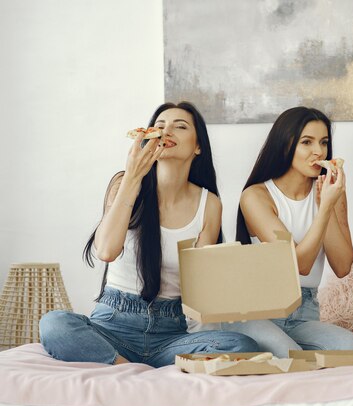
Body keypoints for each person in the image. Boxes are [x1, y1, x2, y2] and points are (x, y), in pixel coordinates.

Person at [39, 102, 258, 367]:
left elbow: (198, 290)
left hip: (170, 335)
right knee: (54, 323)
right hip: (112, 327)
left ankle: (123, 367)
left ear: (198, 146)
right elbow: (106, 251)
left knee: (241, 344)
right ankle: (125, 367)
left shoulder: (209, 204)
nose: (167, 132)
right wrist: (133, 177)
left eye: (180, 126)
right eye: (160, 126)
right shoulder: (124, 182)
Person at [223, 106, 353, 356]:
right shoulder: (257, 196)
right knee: (289, 355)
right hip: (258, 313)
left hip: (305, 311)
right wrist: (324, 209)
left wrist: (328, 204)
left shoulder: (329, 193)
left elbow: (343, 267)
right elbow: (298, 264)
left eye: (323, 142)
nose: (318, 151)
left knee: (351, 347)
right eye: (307, 142)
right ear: (285, 145)